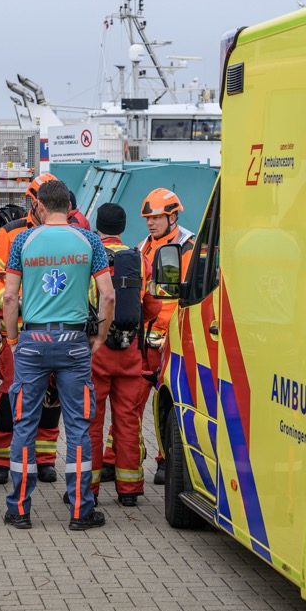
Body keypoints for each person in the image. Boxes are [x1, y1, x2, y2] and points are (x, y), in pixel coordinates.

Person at [1, 180, 114, 530]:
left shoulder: (23, 240)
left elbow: (8, 297)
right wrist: (99, 338)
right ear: (68, 206)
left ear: (39, 207)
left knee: (24, 425)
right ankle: (81, 510)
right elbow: (108, 296)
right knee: (78, 427)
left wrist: (13, 339)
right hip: (74, 340)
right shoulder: (89, 240)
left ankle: (19, 509)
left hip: (33, 339)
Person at [0, 172, 80, 484]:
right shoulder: (12, 233)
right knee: (12, 395)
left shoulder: (70, 233)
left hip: (57, 329)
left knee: (52, 398)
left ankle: (45, 457)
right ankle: (0, 457)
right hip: (21, 329)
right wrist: (9, 303)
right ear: (34, 203)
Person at [108, 187, 194, 486]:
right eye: (147, 218)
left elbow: (183, 295)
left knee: (169, 401)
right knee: (131, 403)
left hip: (173, 336)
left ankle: (164, 459)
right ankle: (114, 459)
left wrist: (160, 327)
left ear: (173, 217)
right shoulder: (142, 246)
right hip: (145, 339)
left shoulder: (189, 247)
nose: (150, 223)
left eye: (156, 218)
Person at [88, 203, 153, 506]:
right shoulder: (140, 259)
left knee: (92, 420)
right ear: (123, 227)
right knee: (127, 419)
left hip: (97, 349)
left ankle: (89, 487)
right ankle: (130, 490)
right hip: (130, 349)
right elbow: (150, 304)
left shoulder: (90, 254)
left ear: (97, 225)